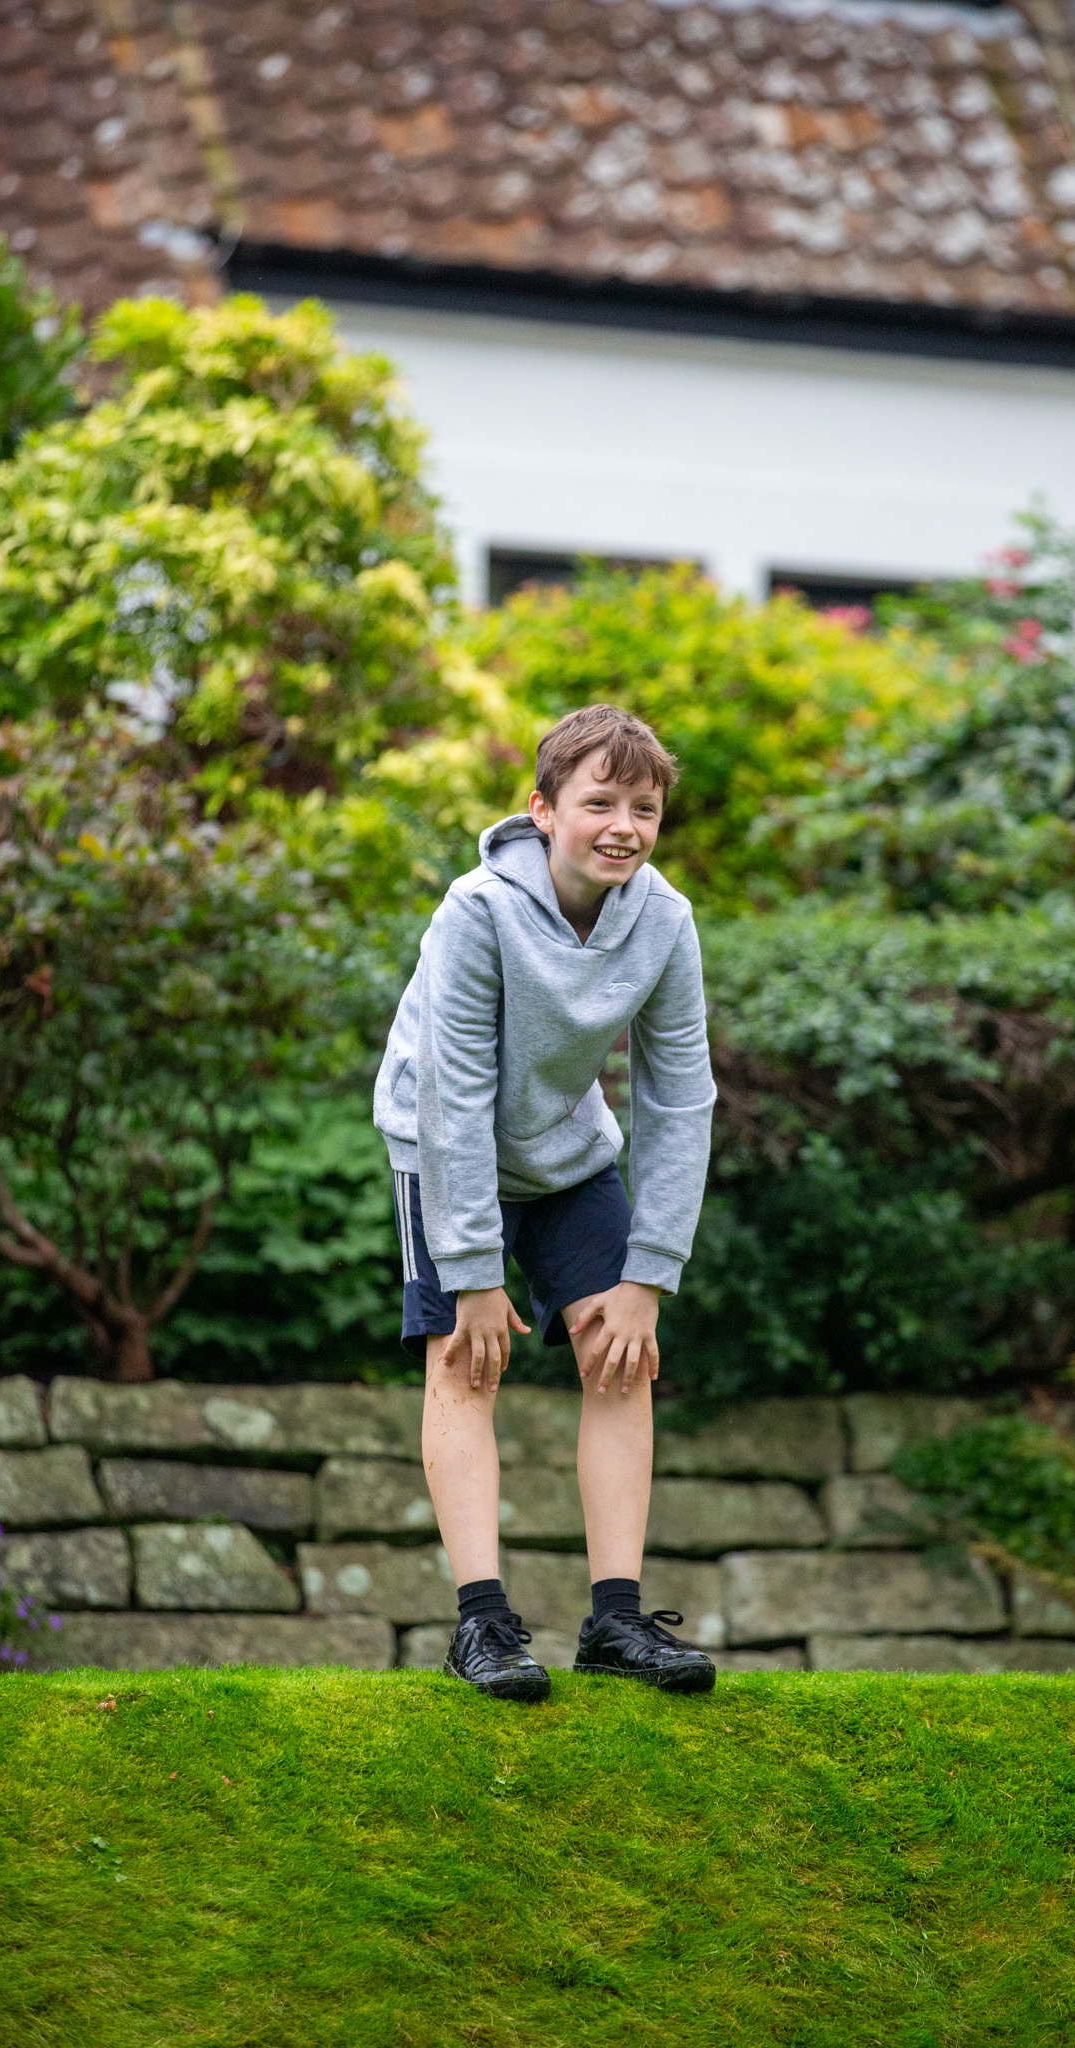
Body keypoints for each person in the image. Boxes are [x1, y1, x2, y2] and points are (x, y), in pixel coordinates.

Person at [374, 702, 718, 1701]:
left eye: (643, 806)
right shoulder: (475, 909)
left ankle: (614, 1622)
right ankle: (482, 1625)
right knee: (462, 1359)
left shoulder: (665, 919)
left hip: (567, 1152)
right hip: (441, 1142)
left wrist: (650, 1274)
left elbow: (679, 1090)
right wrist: (477, 1277)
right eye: (597, 801)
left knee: (624, 1356)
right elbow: (454, 1093)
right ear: (542, 809)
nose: (623, 824)